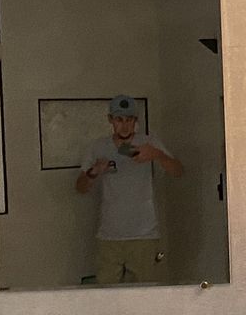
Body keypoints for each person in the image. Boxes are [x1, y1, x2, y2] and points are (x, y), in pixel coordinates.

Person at [75, 95, 183, 284]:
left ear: (135, 121)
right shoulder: (98, 147)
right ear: (110, 120)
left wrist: (157, 155)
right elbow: (80, 188)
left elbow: (178, 171)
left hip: (144, 235)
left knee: (146, 293)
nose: (124, 126)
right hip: (109, 236)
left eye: (129, 120)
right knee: (106, 293)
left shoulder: (149, 142)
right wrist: (94, 172)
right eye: (119, 120)